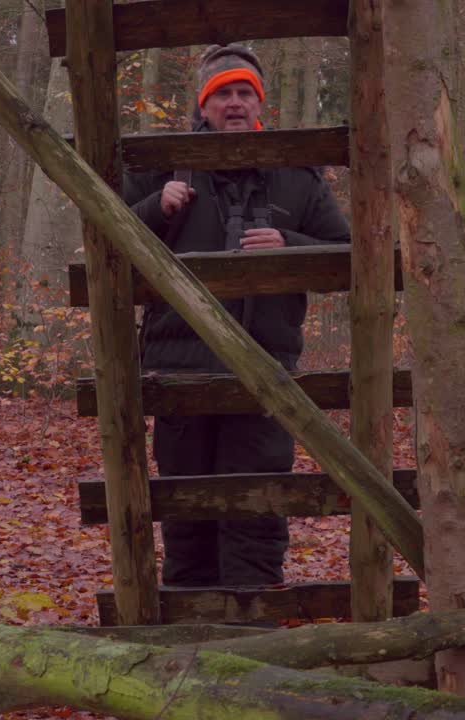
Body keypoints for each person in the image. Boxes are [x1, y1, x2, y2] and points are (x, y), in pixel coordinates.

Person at [122, 44, 350, 587]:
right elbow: (108, 250)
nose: (234, 103)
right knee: (186, 507)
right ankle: (192, 634)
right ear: (202, 106)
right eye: (222, 93)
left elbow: (348, 255)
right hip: (178, 371)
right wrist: (156, 209)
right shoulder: (161, 169)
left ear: (259, 103)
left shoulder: (297, 174)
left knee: (257, 503)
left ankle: (253, 633)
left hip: (266, 370)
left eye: (244, 92)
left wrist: (290, 244)